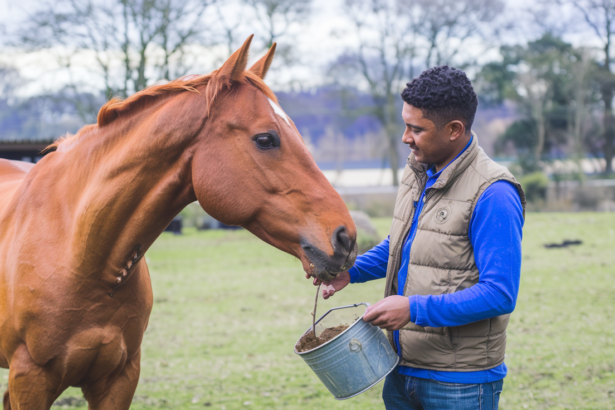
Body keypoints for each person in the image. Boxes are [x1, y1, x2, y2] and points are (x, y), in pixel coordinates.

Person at [313, 66, 526, 409]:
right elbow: (400, 247)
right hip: (399, 369)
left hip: (459, 383)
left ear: (454, 129)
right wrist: (350, 272)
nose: (405, 137)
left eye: (416, 129)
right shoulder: (417, 173)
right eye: (405, 124)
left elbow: (499, 294)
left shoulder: (494, 192)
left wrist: (413, 309)